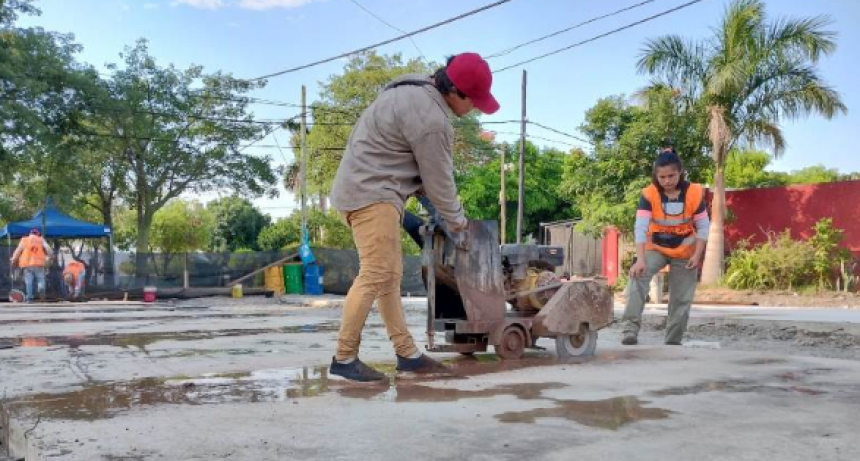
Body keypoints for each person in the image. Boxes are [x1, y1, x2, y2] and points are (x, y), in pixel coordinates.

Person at [328, 52, 500, 381]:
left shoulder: (414, 87)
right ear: (457, 92)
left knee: (389, 276)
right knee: (377, 273)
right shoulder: (433, 120)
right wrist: (459, 224)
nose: (475, 108)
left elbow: (411, 166)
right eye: (474, 101)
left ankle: (407, 354)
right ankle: (344, 357)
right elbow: (440, 183)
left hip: (368, 189)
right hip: (372, 193)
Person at [621, 151, 710, 346]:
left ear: (680, 173)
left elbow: (703, 227)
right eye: (662, 177)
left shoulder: (694, 193)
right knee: (637, 276)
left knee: (681, 299)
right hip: (656, 248)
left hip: (686, 251)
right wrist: (641, 259)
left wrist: (697, 255)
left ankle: (672, 341)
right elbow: (641, 227)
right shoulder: (648, 194)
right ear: (656, 176)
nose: (667, 181)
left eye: (671, 176)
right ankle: (629, 330)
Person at [10, 228, 54, 302]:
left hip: (27, 264)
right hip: (39, 264)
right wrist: (51, 256)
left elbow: (18, 250)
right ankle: (41, 288)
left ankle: (30, 298)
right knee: (40, 279)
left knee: (29, 282)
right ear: (38, 234)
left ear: (30, 234)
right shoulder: (41, 239)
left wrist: (13, 259)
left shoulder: (24, 240)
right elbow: (48, 248)